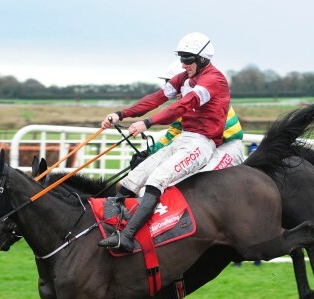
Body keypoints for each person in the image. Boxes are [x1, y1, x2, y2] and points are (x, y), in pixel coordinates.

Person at [98, 32, 230, 252]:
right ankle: (110, 224)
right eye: (181, 58)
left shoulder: (213, 80)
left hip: (202, 144)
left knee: (157, 178)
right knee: (135, 176)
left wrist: (147, 123)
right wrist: (121, 114)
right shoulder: (183, 78)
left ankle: (128, 237)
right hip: (183, 138)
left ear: (203, 58)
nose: (183, 64)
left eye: (187, 59)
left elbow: (182, 106)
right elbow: (156, 99)